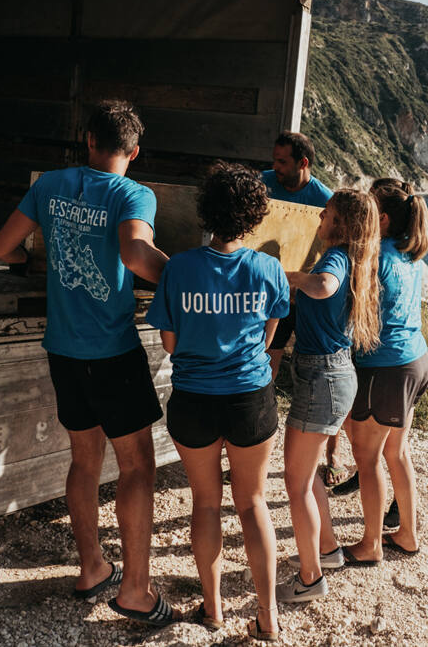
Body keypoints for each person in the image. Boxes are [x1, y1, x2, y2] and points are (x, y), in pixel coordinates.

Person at [0, 100, 172, 624]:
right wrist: (187, 277)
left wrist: (27, 260)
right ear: (133, 151)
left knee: (84, 461)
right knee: (137, 466)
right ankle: (135, 591)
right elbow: (137, 256)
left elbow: (1, 247)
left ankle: (92, 568)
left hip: (64, 351)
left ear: (88, 140)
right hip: (112, 351)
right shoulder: (134, 193)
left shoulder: (50, 184)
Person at [145, 163, 290, 642]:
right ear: (252, 216)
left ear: (206, 210)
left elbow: (168, 344)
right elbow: (270, 334)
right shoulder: (268, 269)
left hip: (194, 400)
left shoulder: (180, 267)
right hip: (250, 400)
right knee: (252, 502)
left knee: (206, 503)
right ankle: (267, 616)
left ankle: (214, 609)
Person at [277, 189, 380, 602]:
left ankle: (311, 578)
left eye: (328, 212)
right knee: (302, 475)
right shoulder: (353, 258)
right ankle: (328, 549)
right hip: (329, 375)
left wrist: (288, 276)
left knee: (296, 481)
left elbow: (322, 286)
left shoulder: (335, 259)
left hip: (323, 377)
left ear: (341, 224)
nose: (320, 215)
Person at [343, 178, 428, 562]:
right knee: (396, 451)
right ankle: (407, 534)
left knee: (367, 458)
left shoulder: (375, 258)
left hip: (384, 368)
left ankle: (371, 544)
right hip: (414, 361)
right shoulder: (412, 256)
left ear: (381, 218)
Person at [260, 132, 351, 488]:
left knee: (325, 375)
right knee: (268, 362)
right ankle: (257, 443)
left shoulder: (325, 200)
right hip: (274, 291)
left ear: (303, 164)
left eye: (282, 162)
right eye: (274, 160)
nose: (274, 168)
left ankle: (333, 456)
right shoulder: (264, 185)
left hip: (310, 297)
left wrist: (305, 283)